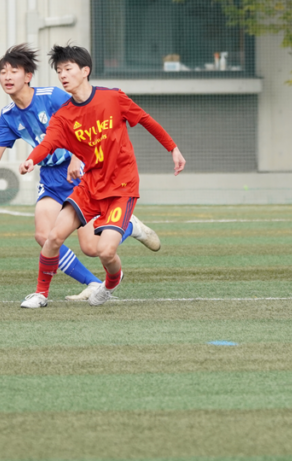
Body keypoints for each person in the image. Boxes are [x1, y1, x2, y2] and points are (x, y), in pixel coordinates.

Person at [0, 44, 162, 303]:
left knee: (91, 248)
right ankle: (91, 283)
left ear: (28, 76)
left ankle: (130, 227)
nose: (7, 77)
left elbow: (83, 118)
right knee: (44, 236)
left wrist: (77, 157)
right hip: (50, 178)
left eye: (13, 71)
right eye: (3, 73)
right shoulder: (8, 115)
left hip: (79, 174)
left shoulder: (51, 96)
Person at [18, 44, 185, 308]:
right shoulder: (63, 116)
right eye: (59, 70)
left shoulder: (113, 97)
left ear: (85, 71)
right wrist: (31, 159)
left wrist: (172, 148)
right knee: (53, 237)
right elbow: (48, 143)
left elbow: (145, 120)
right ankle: (40, 294)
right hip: (90, 185)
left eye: (68, 69)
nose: (63, 75)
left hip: (122, 187)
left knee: (105, 252)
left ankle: (111, 282)